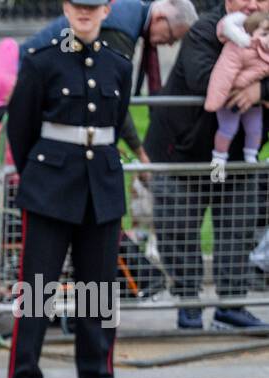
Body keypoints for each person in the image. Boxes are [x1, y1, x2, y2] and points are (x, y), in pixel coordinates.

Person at [6, 0, 133, 378]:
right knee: (37, 292)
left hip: (102, 189)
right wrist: (38, 175)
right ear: (65, 7)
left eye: (93, 7)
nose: (85, 13)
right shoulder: (41, 61)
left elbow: (116, 119)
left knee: (98, 292)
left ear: (107, 10)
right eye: (78, 6)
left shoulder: (118, 63)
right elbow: (20, 127)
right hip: (51, 186)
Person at [146, 0, 269, 330]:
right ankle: (190, 304)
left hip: (236, 156)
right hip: (183, 151)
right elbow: (204, 80)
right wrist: (256, 84)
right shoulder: (205, 30)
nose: (254, 4)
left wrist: (263, 87)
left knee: (237, 229)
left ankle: (231, 306)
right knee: (179, 229)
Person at [24, 0, 197, 165]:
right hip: (25, 77)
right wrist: (141, 155)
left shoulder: (132, 12)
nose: (169, 44)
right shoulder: (121, 29)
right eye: (172, 36)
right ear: (160, 18)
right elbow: (111, 98)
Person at [205, 10, 269, 163]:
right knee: (228, 129)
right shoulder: (238, 48)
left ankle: (251, 158)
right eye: (265, 33)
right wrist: (217, 97)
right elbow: (224, 72)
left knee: (255, 129)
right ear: (252, 32)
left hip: (255, 103)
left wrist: (262, 91)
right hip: (230, 98)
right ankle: (218, 162)